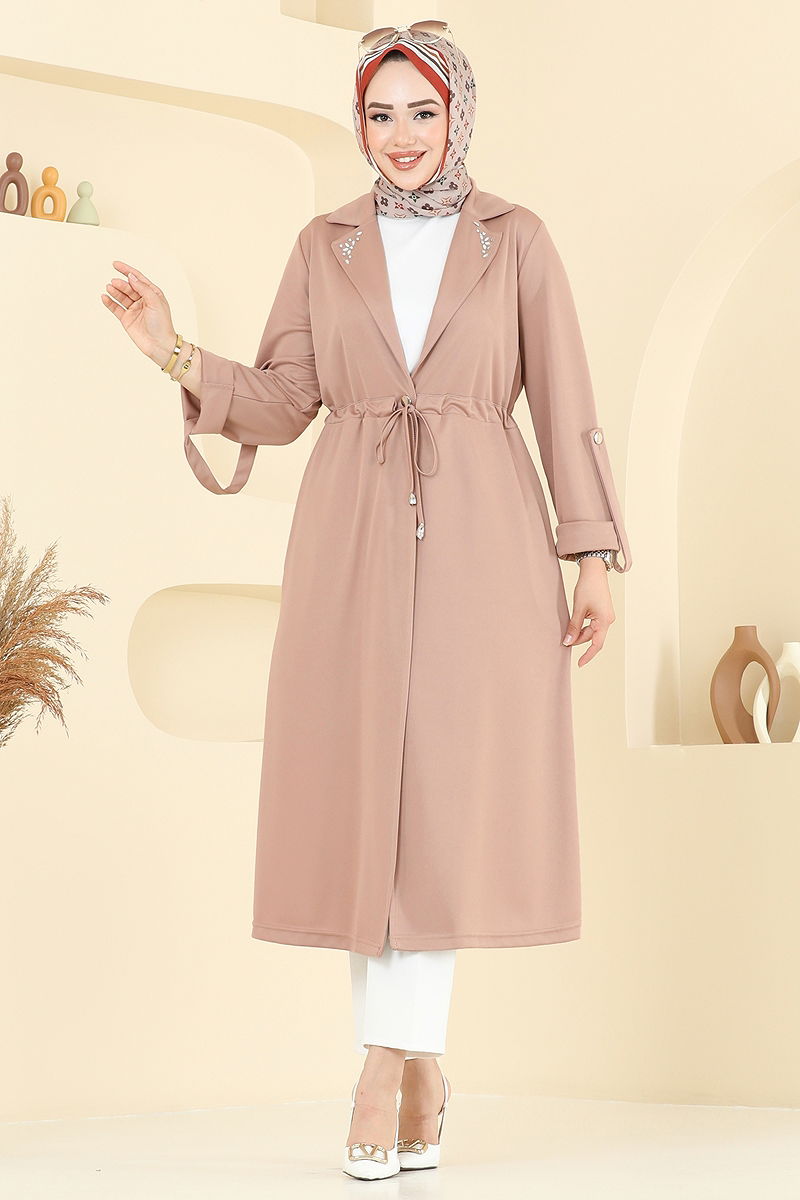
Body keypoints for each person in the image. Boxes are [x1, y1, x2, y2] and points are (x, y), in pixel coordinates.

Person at [101, 19, 632, 1181]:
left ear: (458, 116)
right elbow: (285, 400)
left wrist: (590, 554)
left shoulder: (515, 238)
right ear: (359, 123)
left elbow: (564, 396)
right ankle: (413, 1060)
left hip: (485, 535)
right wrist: (171, 352)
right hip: (347, 534)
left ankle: (382, 1066)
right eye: (379, 114)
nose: (399, 136)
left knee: (440, 799)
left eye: (421, 112)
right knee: (364, 807)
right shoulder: (323, 243)